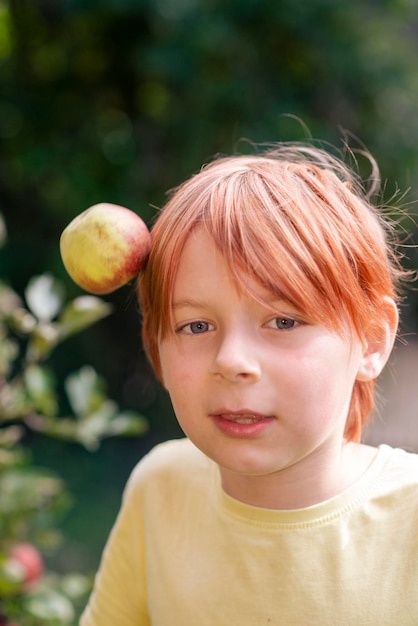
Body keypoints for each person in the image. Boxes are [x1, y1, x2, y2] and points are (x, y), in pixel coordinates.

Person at [80, 142, 418, 626]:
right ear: (156, 345)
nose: (232, 361)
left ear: (370, 340)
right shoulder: (161, 490)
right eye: (196, 326)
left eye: (282, 321)